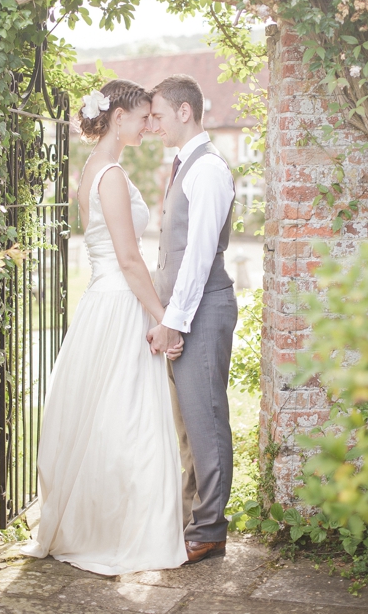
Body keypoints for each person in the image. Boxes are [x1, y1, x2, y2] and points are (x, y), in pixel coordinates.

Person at [21, 79, 187, 575]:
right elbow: (130, 259)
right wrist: (167, 319)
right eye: (142, 117)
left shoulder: (91, 168)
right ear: (119, 118)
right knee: (127, 418)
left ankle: (102, 521)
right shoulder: (110, 175)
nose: (147, 125)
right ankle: (120, 530)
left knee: (105, 416)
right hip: (120, 304)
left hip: (102, 302)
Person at [146, 74, 238, 564]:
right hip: (185, 313)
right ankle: (194, 519)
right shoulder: (185, 166)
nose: (154, 123)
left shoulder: (208, 170)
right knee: (187, 425)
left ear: (185, 112)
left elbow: (199, 255)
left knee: (206, 422)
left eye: (159, 114)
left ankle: (210, 531)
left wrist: (175, 322)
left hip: (204, 310)